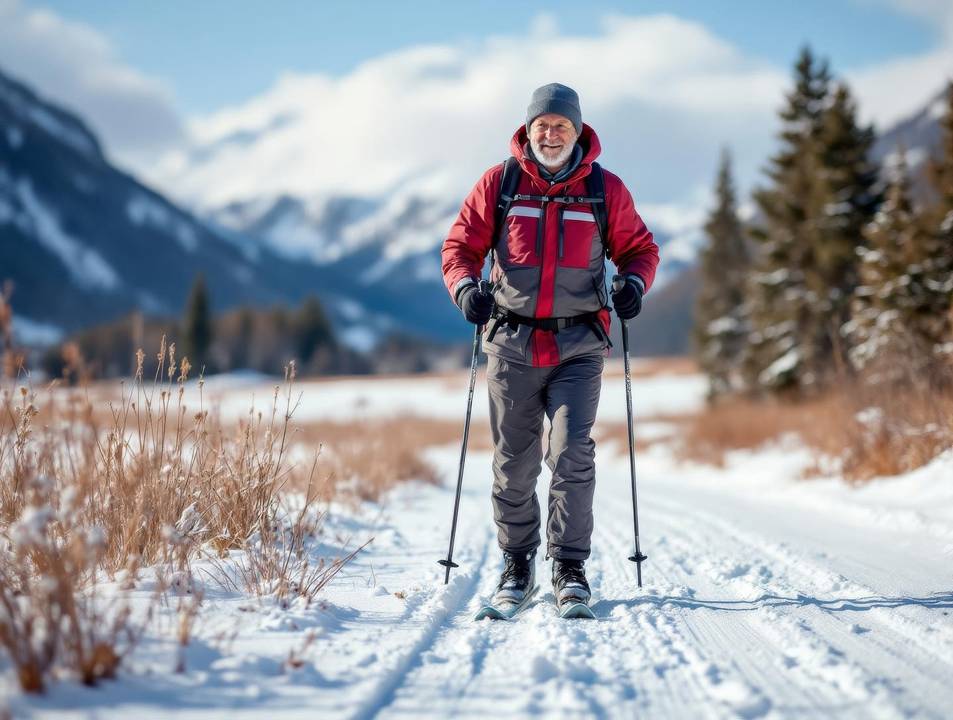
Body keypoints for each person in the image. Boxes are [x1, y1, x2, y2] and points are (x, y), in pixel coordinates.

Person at [440, 83, 659, 610]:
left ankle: (569, 565)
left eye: (562, 125)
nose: (552, 134)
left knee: (571, 452)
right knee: (514, 462)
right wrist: (465, 289)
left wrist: (634, 284)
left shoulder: (604, 189)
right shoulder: (500, 183)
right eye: (543, 125)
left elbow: (640, 249)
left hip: (579, 344)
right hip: (510, 344)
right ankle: (518, 564)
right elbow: (460, 247)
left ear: (578, 130)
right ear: (529, 129)